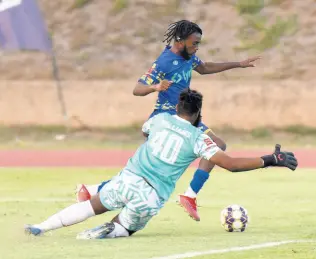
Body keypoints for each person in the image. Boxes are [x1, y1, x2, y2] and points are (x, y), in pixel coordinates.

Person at [25, 89, 297, 239]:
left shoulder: (159, 120)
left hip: (127, 179)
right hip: (151, 195)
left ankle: (42, 227)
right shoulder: (198, 138)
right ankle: (107, 230)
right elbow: (232, 164)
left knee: (89, 206)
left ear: (178, 107)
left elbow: (146, 132)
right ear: (198, 114)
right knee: (126, 227)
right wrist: (271, 159)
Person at [76, 20, 261, 221]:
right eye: (194, 43)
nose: (197, 47)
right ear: (180, 41)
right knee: (157, 170)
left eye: (199, 43)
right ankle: (95, 190)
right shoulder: (164, 62)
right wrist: (155, 87)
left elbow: (205, 67)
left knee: (209, 149)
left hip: (186, 119)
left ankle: (188, 196)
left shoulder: (189, 56)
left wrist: (238, 64)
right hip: (164, 119)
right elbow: (137, 89)